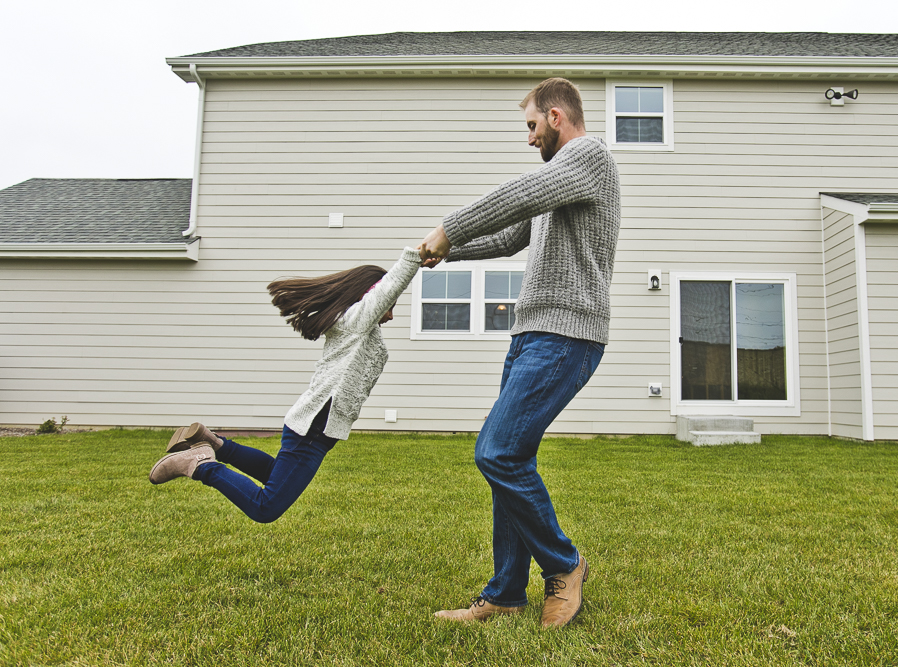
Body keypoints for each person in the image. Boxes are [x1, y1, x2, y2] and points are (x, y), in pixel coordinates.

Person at [422, 78, 621, 628]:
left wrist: (450, 226)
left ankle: (565, 564)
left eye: (532, 126)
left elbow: (519, 195)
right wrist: (443, 252)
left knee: (497, 453)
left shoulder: (589, 158)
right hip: (531, 335)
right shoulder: (562, 179)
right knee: (511, 459)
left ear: (557, 117)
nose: (529, 138)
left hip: (566, 335)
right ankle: (506, 593)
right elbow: (512, 236)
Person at [148, 247, 423, 524]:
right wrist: (418, 257)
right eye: (391, 305)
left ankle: (214, 443)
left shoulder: (358, 326)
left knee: (275, 474)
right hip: (314, 429)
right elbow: (388, 287)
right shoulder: (357, 320)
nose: (390, 315)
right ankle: (199, 464)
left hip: (314, 427)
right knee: (265, 508)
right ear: (372, 295)